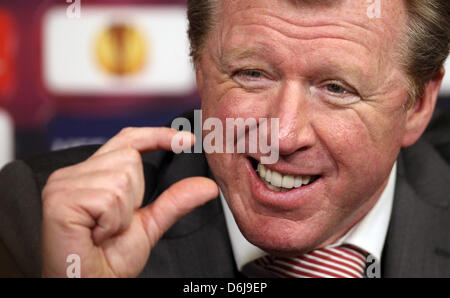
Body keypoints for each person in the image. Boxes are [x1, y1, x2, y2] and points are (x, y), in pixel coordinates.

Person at [0, 0, 449, 278]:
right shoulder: (38, 224)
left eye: (336, 88)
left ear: (418, 105)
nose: (283, 134)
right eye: (251, 74)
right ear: (199, 68)